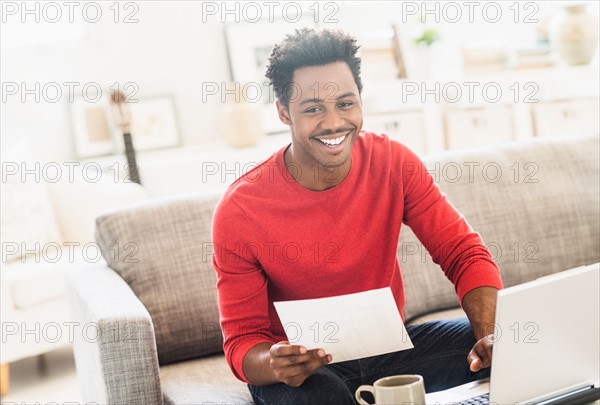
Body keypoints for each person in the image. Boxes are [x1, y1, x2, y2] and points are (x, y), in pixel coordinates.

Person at [212, 28, 503, 404]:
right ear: (284, 111)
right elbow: (242, 340)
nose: (334, 122)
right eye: (313, 108)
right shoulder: (240, 210)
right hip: (305, 373)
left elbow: (462, 252)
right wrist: (273, 362)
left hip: (390, 350)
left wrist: (488, 335)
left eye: (346, 103)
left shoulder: (394, 163)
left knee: (510, 345)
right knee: (320, 395)